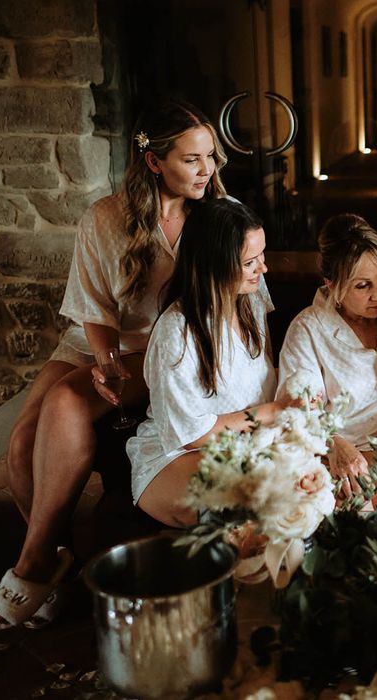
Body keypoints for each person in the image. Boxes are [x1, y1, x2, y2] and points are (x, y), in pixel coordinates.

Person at [0, 99, 227, 629]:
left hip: (168, 347)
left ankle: (32, 567)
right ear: (153, 162)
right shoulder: (104, 217)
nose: (207, 171)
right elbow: (92, 307)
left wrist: (121, 369)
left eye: (210, 157)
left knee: (67, 402)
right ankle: (56, 559)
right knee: (21, 445)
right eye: (192, 160)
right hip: (94, 338)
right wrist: (104, 360)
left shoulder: (214, 217)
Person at [127, 199, 287, 527]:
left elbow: (265, 374)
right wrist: (270, 413)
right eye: (249, 262)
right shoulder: (177, 332)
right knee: (257, 506)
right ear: (215, 263)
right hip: (178, 453)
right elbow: (191, 434)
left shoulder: (251, 302)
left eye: (262, 255)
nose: (263, 269)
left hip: (245, 441)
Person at [277, 214, 377, 500]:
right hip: (325, 449)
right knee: (346, 504)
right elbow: (298, 411)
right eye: (362, 285)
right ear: (332, 284)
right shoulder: (308, 329)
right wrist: (334, 444)